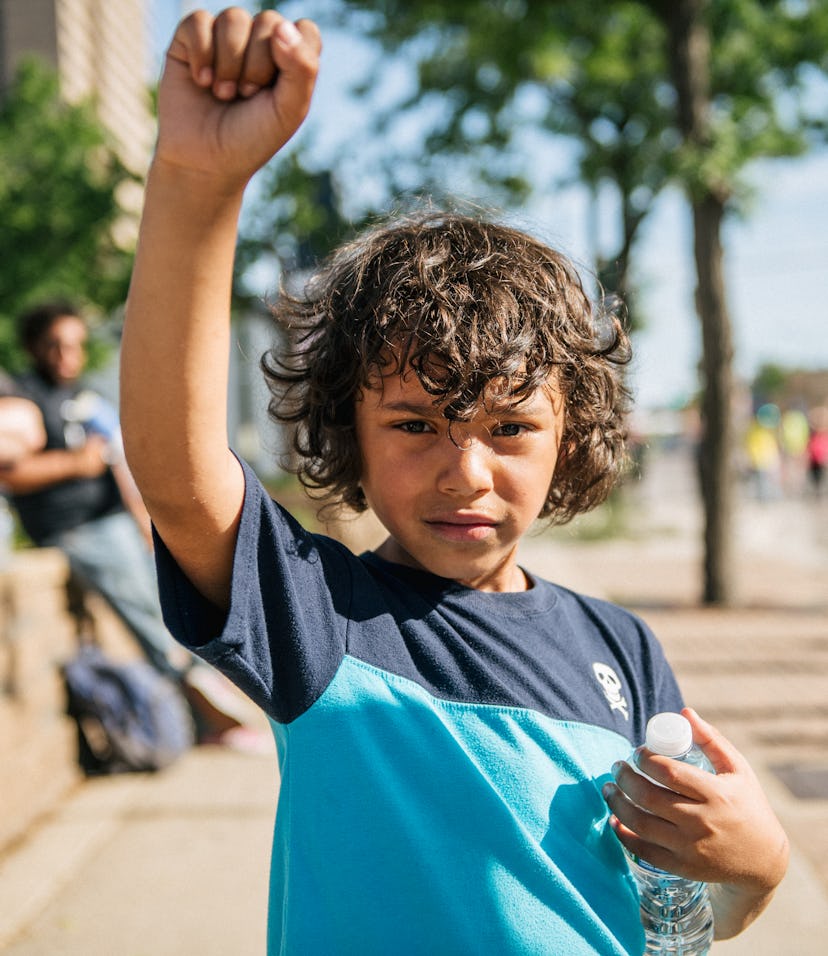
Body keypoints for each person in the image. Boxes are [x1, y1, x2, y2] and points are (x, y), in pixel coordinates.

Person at [120, 8, 789, 953]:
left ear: (576, 433)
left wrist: (754, 872)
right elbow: (178, 476)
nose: (465, 471)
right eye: (415, 425)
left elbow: (665, 925)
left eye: (510, 427)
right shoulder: (317, 619)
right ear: (347, 427)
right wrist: (197, 182)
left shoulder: (624, 650)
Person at [4, 301, 258, 747]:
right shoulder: (22, 399)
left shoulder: (85, 397)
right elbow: (10, 473)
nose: (68, 356)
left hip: (117, 523)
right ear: (32, 347)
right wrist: (74, 464)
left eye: (76, 345)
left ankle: (204, 713)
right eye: (55, 346)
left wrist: (146, 524)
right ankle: (216, 717)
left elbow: (120, 463)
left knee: (173, 608)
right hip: (77, 530)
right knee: (154, 621)